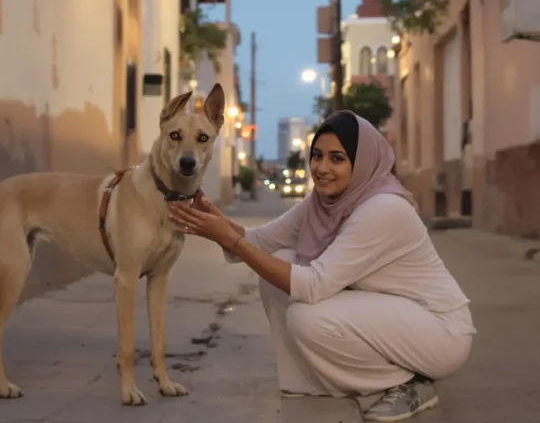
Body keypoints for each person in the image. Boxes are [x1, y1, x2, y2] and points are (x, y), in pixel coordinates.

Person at [168, 111, 476, 422]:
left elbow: (313, 284)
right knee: (282, 264)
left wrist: (231, 242)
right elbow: (260, 242)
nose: (322, 168)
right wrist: (216, 221)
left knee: (306, 315)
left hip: (439, 330)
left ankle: (409, 384)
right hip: (391, 315)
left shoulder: (384, 208)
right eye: (317, 156)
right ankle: (307, 380)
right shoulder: (323, 203)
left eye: (337, 158)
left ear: (363, 162)